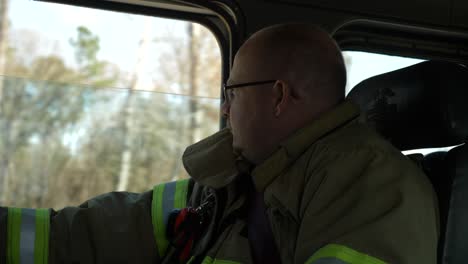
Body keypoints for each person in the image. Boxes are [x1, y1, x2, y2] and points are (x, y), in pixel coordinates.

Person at [0, 23, 438, 264]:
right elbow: (92, 234)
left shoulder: (370, 184)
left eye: (232, 92)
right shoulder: (234, 179)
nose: (225, 110)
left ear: (279, 95)